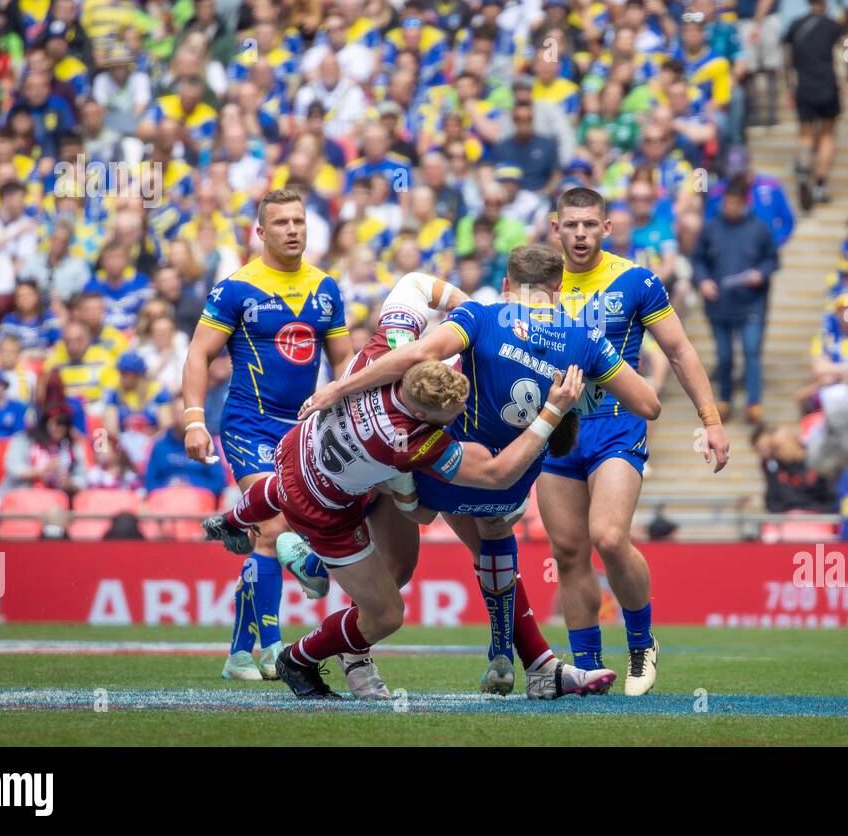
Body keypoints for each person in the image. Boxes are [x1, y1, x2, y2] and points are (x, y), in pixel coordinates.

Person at [202, 280, 592, 701]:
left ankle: (231, 521)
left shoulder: (383, 348)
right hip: (326, 511)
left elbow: (414, 283)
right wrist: (552, 412)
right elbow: (485, 480)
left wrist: (481, 317)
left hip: (294, 449)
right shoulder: (410, 440)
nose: (462, 413)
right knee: (387, 613)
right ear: (424, 414)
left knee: (315, 509)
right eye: (453, 413)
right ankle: (299, 657)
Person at [303, 248, 662, 697]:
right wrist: (581, 389)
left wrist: (336, 387)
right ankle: (512, 655)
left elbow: (420, 353)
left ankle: (314, 557)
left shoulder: (483, 315)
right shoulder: (585, 339)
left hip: (444, 479)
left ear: (508, 286)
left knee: (390, 467)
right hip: (510, 485)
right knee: (492, 530)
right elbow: (648, 405)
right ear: (559, 292)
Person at [536, 187, 730, 695]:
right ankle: (587, 668)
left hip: (617, 426)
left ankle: (642, 642)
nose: (580, 234)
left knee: (608, 536)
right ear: (556, 229)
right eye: (571, 225)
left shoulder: (636, 280)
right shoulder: (536, 286)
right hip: (556, 430)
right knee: (568, 551)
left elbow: (681, 351)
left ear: (607, 229)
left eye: (589, 225)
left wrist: (710, 420)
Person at [181, 189, 353, 685]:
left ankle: (239, 653)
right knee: (276, 524)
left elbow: (342, 362)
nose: (293, 229)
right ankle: (276, 647)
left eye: (299, 220)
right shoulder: (235, 288)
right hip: (247, 425)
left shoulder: (326, 288)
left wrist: (343, 409)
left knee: (264, 538)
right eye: (281, 223)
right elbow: (198, 355)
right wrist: (195, 419)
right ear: (260, 232)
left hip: (302, 432)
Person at [691, 173, 778, 423]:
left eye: (734, 203)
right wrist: (703, 280)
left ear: (743, 203)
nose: (729, 207)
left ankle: (754, 403)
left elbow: (772, 259)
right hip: (719, 303)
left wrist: (760, 274)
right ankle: (725, 399)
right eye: (726, 202)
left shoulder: (759, 228)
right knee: (725, 355)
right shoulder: (711, 228)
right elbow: (698, 259)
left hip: (751, 302)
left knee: (751, 351)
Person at [782, 0, 848, 210]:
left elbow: (786, 57)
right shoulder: (833, 25)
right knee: (827, 134)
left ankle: (804, 169)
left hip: (803, 85)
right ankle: (821, 183)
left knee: (805, 134)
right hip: (827, 85)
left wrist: (789, 84)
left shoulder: (795, 25)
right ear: (826, 0)